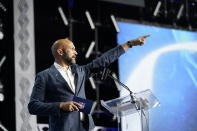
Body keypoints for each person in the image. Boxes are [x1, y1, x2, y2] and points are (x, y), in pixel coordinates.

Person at [28, 34, 151, 131]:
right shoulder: (44, 76)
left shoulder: (80, 71)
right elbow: (33, 106)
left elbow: (104, 60)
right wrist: (60, 105)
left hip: (85, 127)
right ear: (60, 52)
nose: (76, 52)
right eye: (72, 49)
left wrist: (129, 44)